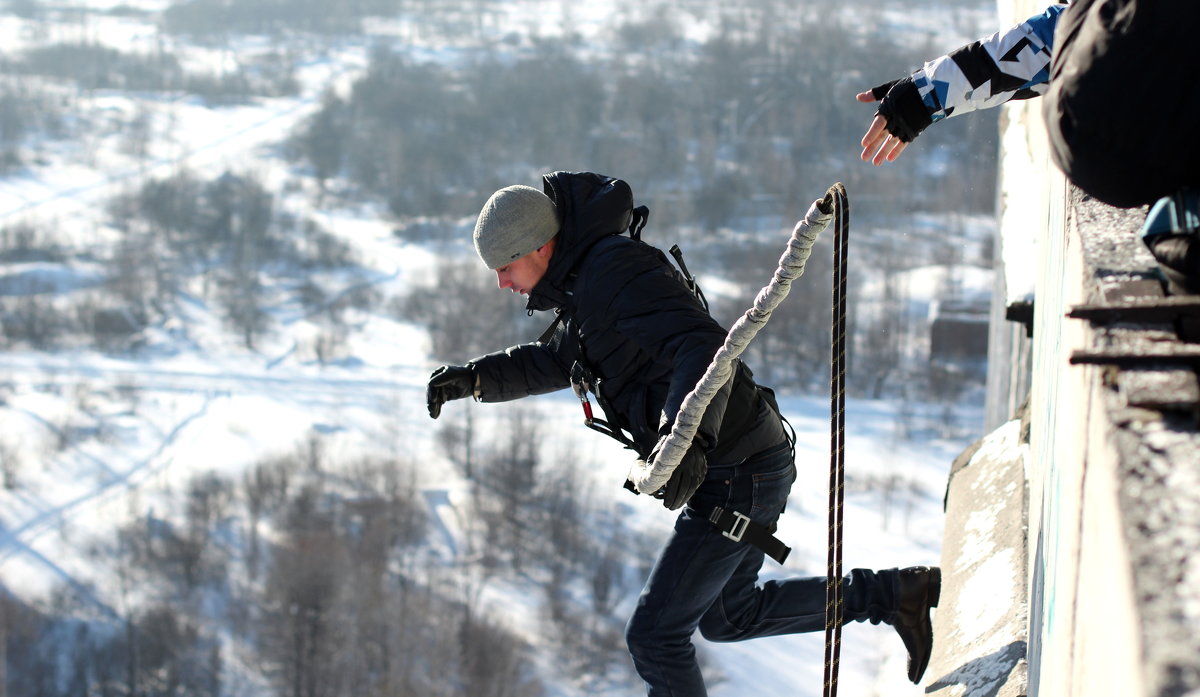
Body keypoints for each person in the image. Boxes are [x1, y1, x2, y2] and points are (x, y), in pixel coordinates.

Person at [425, 171, 941, 696]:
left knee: (654, 638)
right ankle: (897, 594)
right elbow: (561, 360)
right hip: (738, 461)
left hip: (738, 469)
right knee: (728, 618)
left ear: (539, 247)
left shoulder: (612, 275)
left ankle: (893, 595)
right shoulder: (582, 281)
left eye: (505, 267)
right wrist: (477, 377)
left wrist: (685, 437)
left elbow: (701, 347)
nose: (501, 283)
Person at [857, 0, 1200, 294]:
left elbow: (1045, 42)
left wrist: (927, 93)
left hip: (1090, 137)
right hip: (1104, 128)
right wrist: (925, 93)